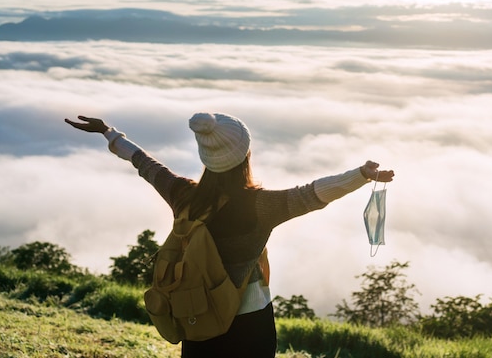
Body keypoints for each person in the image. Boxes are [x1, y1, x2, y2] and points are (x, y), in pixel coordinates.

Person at [65, 113, 394, 358]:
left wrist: (108, 132)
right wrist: (361, 176)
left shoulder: (183, 195)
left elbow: (146, 164)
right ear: (245, 155)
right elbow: (311, 194)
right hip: (250, 324)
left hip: (197, 313)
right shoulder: (261, 206)